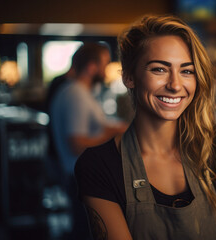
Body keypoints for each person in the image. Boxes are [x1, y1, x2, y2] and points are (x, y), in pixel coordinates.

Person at [75, 15, 216, 240]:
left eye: (187, 71)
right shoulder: (97, 165)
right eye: (159, 69)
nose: (175, 85)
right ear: (129, 76)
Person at [49, 42, 128, 239]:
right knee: (87, 232)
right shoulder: (76, 94)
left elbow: (92, 127)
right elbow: (77, 144)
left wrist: (115, 127)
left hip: (79, 176)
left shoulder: (76, 92)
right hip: (81, 177)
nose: (106, 69)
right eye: (105, 63)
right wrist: (114, 135)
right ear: (92, 67)